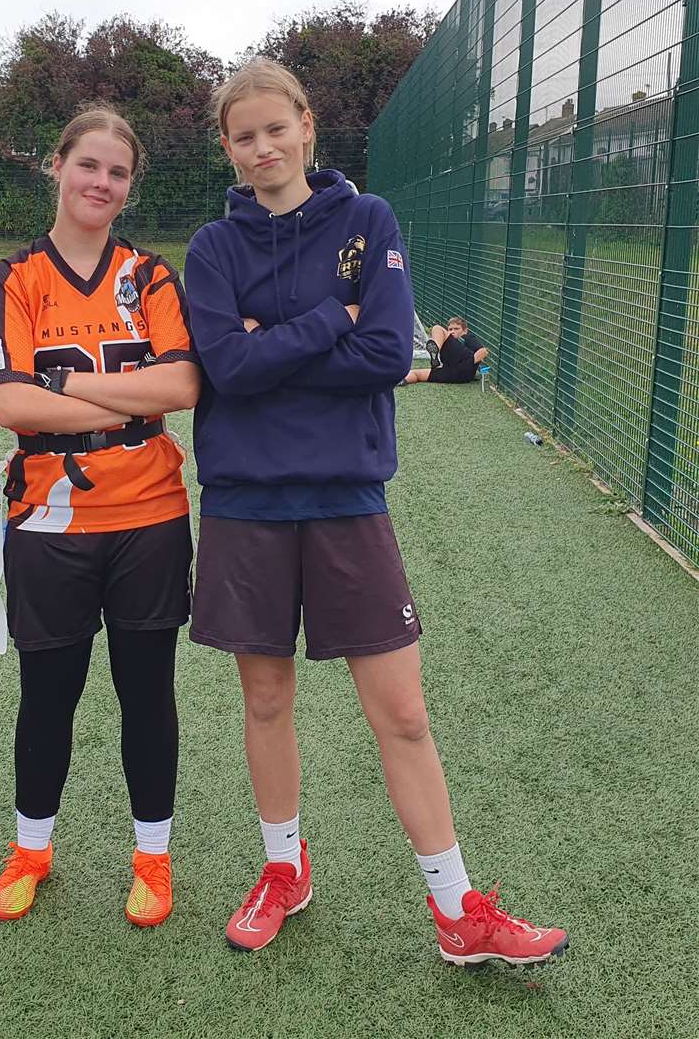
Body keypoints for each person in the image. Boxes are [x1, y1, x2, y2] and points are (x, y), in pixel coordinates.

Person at [184, 58, 568, 965]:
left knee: (400, 712)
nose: (263, 147)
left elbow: (389, 348)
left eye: (277, 128)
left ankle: (456, 908)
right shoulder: (212, 247)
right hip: (245, 503)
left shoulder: (367, 220)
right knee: (266, 696)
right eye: (244, 136)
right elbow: (226, 373)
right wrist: (329, 320)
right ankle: (285, 870)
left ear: (308, 126)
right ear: (228, 149)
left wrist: (270, 344)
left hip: (347, 498)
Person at [0, 105, 199, 928]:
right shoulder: (16, 277)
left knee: (148, 694)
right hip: (49, 519)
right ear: (56, 166)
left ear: (128, 187)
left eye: (118, 172)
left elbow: (178, 389)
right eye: (88, 165)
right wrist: (92, 398)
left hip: (149, 515)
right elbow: (7, 403)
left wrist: (58, 387)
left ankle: (153, 858)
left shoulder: (150, 275)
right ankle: (31, 849)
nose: (101, 182)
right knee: (48, 696)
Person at [403, 316, 488, 384]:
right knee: (417, 374)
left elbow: (483, 351)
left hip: (464, 364)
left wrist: (466, 365)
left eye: (456, 329)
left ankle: (436, 350)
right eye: (450, 329)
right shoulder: (449, 343)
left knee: (437, 328)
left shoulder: (467, 337)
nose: (452, 332)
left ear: (465, 330)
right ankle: (399, 381)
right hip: (453, 373)